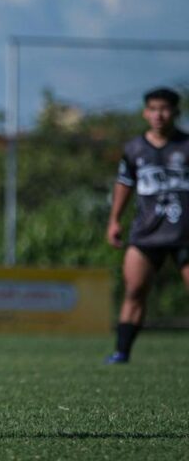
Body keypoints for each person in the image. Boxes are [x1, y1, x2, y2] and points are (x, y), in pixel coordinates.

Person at [106, 87, 189, 363]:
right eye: (153, 109)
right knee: (134, 291)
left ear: (176, 112)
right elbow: (125, 183)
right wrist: (114, 220)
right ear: (145, 112)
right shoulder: (134, 149)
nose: (159, 115)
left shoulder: (186, 146)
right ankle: (121, 352)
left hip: (185, 233)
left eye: (164, 109)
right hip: (147, 233)